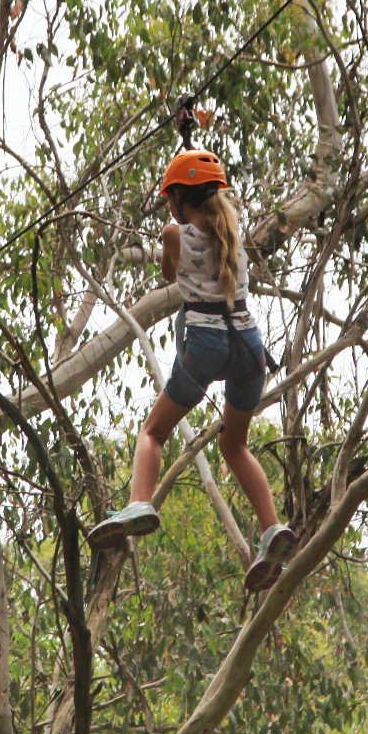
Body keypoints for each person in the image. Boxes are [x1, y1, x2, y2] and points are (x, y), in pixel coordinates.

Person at [86, 148, 297, 592]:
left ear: (180, 199)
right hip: (249, 346)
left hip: (206, 344)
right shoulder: (232, 232)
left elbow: (168, 273)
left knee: (153, 432)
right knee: (235, 445)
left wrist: (173, 231)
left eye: (171, 200)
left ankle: (139, 502)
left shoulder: (173, 233)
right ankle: (271, 528)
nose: (169, 209)